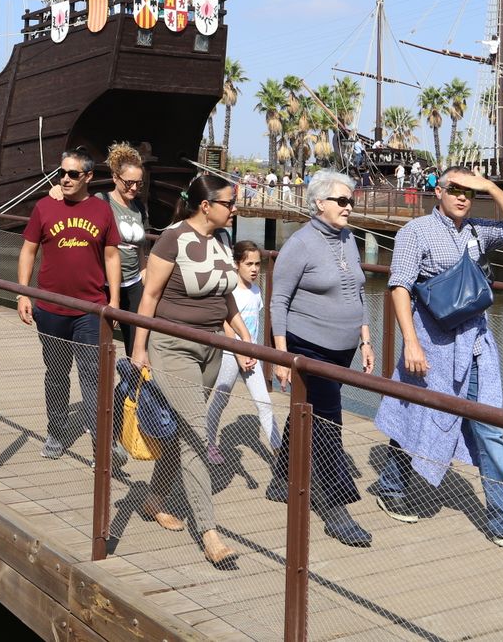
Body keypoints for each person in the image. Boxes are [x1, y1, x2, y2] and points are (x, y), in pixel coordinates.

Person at [373, 166, 503, 550]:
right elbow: (399, 287)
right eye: (454, 189)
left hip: (476, 348)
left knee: (490, 427)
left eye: (469, 192)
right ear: (438, 191)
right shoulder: (415, 231)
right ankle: (391, 483)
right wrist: (411, 343)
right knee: (417, 414)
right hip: (432, 346)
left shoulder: (477, 231)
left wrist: (489, 186)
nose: (462, 197)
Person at [129, 172, 247, 567]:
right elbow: (150, 294)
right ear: (206, 205)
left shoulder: (223, 240)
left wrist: (244, 339)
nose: (235, 209)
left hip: (212, 346)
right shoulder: (173, 238)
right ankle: (210, 532)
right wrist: (140, 347)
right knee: (198, 433)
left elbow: (226, 295)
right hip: (173, 345)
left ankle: (155, 498)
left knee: (183, 429)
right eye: (229, 203)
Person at [266, 169, 376, 548]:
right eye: (342, 201)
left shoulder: (348, 239)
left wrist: (365, 338)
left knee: (308, 413)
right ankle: (336, 505)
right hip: (307, 345)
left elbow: (358, 290)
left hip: (342, 347)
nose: (349, 207)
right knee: (329, 420)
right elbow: (278, 300)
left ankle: (281, 480)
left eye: (351, 201)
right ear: (319, 204)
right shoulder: (300, 244)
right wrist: (280, 355)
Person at [16, 150, 122, 463]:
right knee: (57, 373)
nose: (65, 179)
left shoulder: (102, 211)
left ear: (88, 176)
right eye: (62, 173)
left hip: (90, 309)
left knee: (93, 374)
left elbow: (112, 255)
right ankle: (57, 431)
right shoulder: (45, 207)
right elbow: (28, 250)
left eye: (73, 174)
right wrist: (23, 293)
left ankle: (101, 442)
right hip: (50, 308)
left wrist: (114, 300)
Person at [205, 240, 281, 462]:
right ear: (237, 264)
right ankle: (209, 444)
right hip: (230, 354)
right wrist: (238, 352)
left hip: (252, 356)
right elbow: (226, 325)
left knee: (264, 403)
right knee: (220, 399)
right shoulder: (230, 291)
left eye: (258, 264)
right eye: (249, 264)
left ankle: (278, 452)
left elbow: (254, 325)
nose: (255, 269)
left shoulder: (256, 291)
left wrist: (252, 353)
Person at [104, 142, 150, 353]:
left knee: (138, 344)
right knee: (101, 344)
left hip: (133, 283)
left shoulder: (138, 207)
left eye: (138, 184)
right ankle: (101, 386)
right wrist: (58, 191)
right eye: (129, 183)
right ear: (115, 177)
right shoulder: (102, 202)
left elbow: (140, 248)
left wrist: (144, 277)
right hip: (104, 285)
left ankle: (130, 385)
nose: (133, 188)